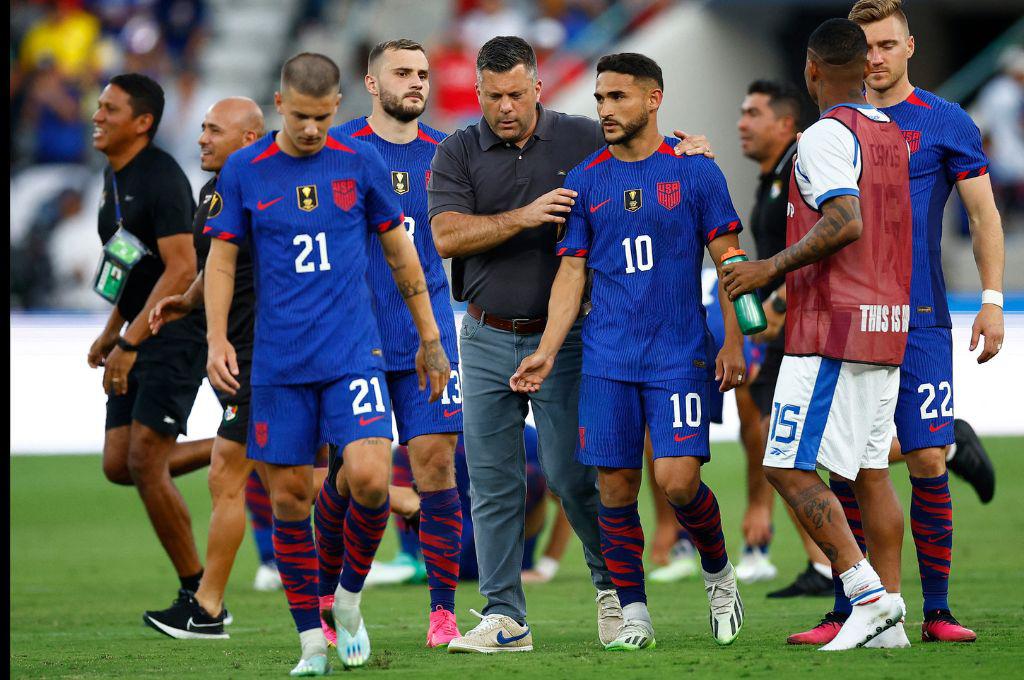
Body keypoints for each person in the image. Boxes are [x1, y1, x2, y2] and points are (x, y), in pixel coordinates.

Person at [428, 35, 713, 654]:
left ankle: (615, 590)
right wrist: (525, 216)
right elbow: (445, 236)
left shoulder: (583, 136)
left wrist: (688, 149)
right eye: (492, 96)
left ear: (538, 87)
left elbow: (644, 148)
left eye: (515, 94)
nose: (505, 107)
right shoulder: (457, 149)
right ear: (477, 92)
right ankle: (504, 616)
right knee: (492, 483)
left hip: (571, 338)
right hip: (484, 333)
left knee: (571, 475)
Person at [202, 52, 451, 674]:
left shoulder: (359, 161)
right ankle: (312, 641)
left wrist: (430, 335)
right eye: (300, 117)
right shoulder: (245, 171)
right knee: (289, 498)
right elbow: (222, 262)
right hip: (279, 364)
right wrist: (216, 339)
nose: (312, 129)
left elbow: (401, 253)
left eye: (321, 116)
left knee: (370, 478)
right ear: (280, 105)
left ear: (337, 105)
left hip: (352, 354)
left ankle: (347, 599)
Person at [786, 0, 1006, 646]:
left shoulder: (944, 121)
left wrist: (992, 298)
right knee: (846, 465)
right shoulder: (834, 128)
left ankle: (936, 610)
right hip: (852, 320)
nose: (876, 58)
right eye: (867, 47)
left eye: (887, 45)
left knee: (928, 458)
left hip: (922, 318)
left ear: (910, 46)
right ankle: (848, 609)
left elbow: (983, 214)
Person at [511, 52, 747, 651]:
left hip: (679, 353)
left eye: (618, 96)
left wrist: (735, 339)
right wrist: (547, 350)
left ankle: (719, 573)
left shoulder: (697, 172)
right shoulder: (585, 180)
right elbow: (571, 275)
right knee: (614, 487)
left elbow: (730, 263)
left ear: (653, 99)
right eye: (599, 98)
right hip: (607, 358)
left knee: (677, 481)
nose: (605, 109)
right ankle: (635, 612)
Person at [723, 17, 913, 650]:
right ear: (866, 69)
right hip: (885, 321)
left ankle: (867, 595)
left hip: (832, 327)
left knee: (785, 465)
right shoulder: (889, 132)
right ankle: (890, 624)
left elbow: (845, 221)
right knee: (869, 472)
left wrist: (769, 268)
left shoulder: (827, 135)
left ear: (811, 71)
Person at [322, 38, 465, 649]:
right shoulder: (338, 149)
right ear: (372, 83)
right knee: (358, 477)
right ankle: (329, 598)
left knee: (436, 463)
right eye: (402, 72)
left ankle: (443, 614)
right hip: (356, 339)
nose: (417, 82)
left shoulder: (449, 153)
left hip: (429, 335)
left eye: (423, 74)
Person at [141, 96, 266, 639]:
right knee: (303, 479)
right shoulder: (215, 191)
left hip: (261, 354)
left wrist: (218, 338)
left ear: (248, 139)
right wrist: (188, 301)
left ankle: (208, 608)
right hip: (244, 350)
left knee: (227, 475)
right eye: (202, 128)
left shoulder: (266, 188)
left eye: (214, 130)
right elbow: (219, 266)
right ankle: (409, 503)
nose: (202, 138)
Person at [88, 72, 213, 616]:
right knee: (119, 463)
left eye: (110, 109)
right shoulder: (114, 177)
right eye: (99, 106)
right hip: (140, 328)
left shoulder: (161, 177)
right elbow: (135, 264)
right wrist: (112, 330)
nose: (97, 116)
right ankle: (242, 447)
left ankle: (199, 595)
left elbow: (182, 268)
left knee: (145, 459)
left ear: (142, 123)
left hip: (175, 329)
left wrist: (130, 342)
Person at [737, 79, 836, 597]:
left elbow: (824, 241)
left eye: (753, 113)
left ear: (785, 124)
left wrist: (778, 301)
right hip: (782, 331)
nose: (742, 123)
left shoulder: (801, 168)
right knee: (780, 440)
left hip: (808, 323)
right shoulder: (770, 179)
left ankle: (938, 445)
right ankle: (823, 564)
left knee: (818, 444)